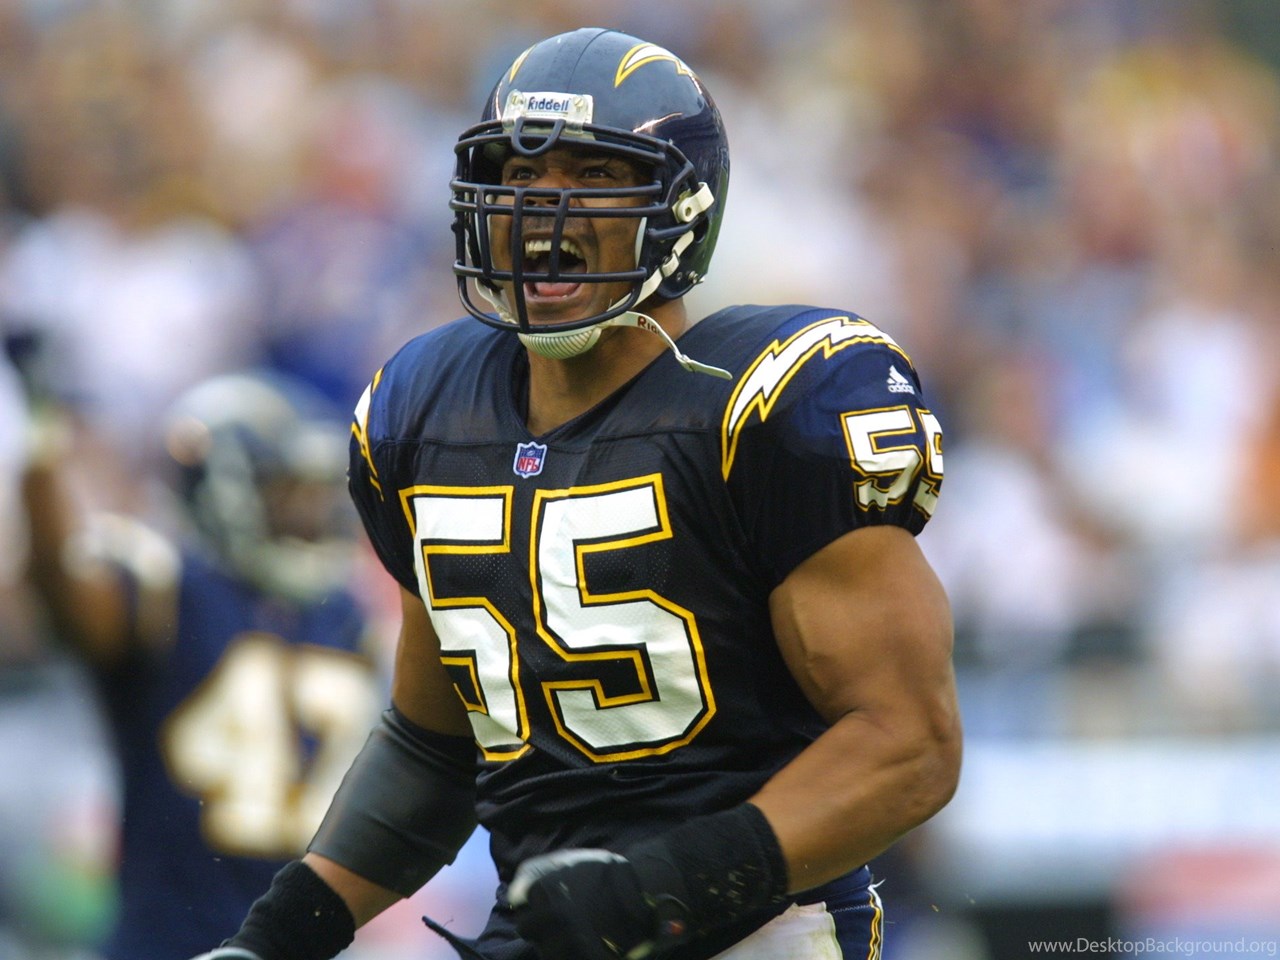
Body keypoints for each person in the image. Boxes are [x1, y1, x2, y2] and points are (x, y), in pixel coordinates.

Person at [196, 26, 961, 960]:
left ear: (682, 207)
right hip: (551, 924)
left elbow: (909, 741)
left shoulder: (767, 406)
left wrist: (657, 891)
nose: (542, 208)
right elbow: (437, 745)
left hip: (756, 927)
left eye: (593, 175)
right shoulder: (425, 412)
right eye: (519, 176)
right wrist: (278, 938)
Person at [18, 366, 381, 960]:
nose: (311, 512)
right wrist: (39, 462)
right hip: (167, 940)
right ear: (224, 488)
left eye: (316, 493)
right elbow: (69, 603)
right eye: (288, 491)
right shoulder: (169, 587)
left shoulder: (347, 616)